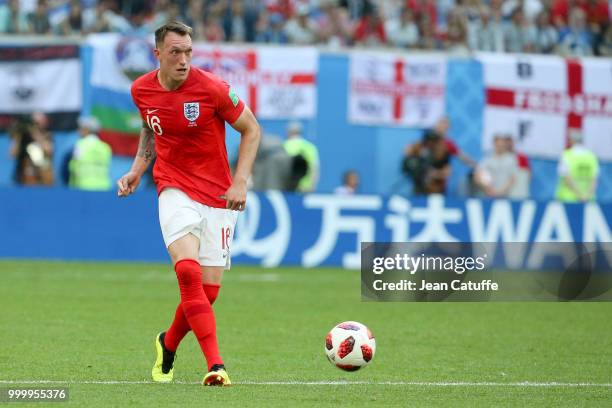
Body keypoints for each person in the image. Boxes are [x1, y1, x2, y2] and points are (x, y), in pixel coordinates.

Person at [117, 21, 261, 387]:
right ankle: (216, 364)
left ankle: (167, 343)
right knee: (187, 273)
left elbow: (251, 129)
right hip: (173, 187)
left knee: (208, 292)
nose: (183, 60)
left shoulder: (212, 88)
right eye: (175, 52)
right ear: (158, 55)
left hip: (219, 194)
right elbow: (151, 126)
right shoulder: (141, 89)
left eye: (188, 52)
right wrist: (138, 169)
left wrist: (240, 181)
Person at [474, 133, 525, 199]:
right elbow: (478, 175)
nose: (500, 147)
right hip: (488, 194)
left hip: (506, 196)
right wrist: (488, 189)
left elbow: (513, 178)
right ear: (494, 144)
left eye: (502, 145)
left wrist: (500, 192)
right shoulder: (487, 159)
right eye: (498, 145)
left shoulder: (512, 159)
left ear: (505, 145)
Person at [9, 112, 54, 186]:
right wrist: (18, 136)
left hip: (41, 178)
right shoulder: (23, 138)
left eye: (37, 123)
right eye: (33, 123)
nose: (35, 125)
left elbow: (49, 150)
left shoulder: (47, 135)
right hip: (23, 178)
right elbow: (12, 155)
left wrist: (34, 132)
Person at [68, 116, 112, 191]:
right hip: (104, 187)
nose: (78, 131)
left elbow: (73, 167)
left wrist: (71, 187)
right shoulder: (106, 147)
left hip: (83, 187)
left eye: (80, 128)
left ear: (87, 130)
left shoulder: (80, 145)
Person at [555, 130, 599, 202]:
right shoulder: (592, 156)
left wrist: (580, 195)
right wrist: (586, 196)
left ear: (571, 141)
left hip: (568, 199)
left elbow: (567, 179)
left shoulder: (566, 155)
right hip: (588, 200)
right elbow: (594, 181)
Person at [283, 120, 319, 192]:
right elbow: (314, 169)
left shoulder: (283, 146)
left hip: (288, 187)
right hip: (305, 188)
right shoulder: (310, 147)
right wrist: (312, 187)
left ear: (288, 132)